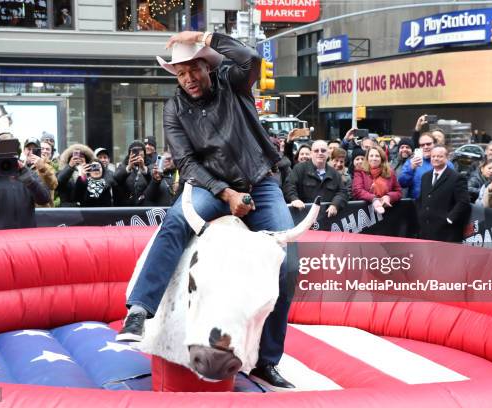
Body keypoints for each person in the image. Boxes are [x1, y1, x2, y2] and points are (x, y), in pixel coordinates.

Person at [117, 30, 296, 390]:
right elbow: (185, 162)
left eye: (192, 70)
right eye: (180, 73)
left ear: (207, 66)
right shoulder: (173, 109)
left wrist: (208, 36)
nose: (187, 79)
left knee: (287, 262)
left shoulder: (233, 82)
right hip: (211, 187)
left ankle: (267, 360)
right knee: (175, 224)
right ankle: (139, 310)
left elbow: (250, 59)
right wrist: (225, 193)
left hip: (260, 181)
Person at [0, 140, 51, 231]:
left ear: (17, 157)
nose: (6, 162)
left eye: (11, 157)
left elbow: (44, 199)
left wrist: (26, 176)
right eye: (2, 158)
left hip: (25, 235)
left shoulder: (28, 174)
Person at [417, 146, 470, 242]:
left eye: (439, 156)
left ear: (446, 158)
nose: (436, 159)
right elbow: (422, 199)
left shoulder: (457, 178)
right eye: (433, 156)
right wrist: (420, 215)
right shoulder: (425, 176)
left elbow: (463, 201)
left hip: (446, 231)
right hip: (426, 229)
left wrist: (450, 219)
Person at [286, 140, 348, 218]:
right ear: (311, 154)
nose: (320, 153)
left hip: (327, 219)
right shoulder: (299, 169)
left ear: (328, 154)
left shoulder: (335, 173)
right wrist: (294, 199)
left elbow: (343, 192)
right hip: (303, 218)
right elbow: (289, 185)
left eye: (323, 150)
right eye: (316, 151)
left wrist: (335, 204)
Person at [398, 133, 453, 200]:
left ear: (435, 144)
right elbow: (402, 184)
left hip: (440, 203)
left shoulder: (446, 163)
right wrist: (411, 169)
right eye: (422, 145)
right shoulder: (411, 162)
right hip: (416, 205)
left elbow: (452, 185)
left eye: (428, 144)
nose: (425, 147)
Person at [352, 146, 402, 214]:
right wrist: (374, 199)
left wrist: (388, 197)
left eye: (377, 156)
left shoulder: (390, 172)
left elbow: (398, 192)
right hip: (365, 214)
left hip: (387, 213)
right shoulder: (360, 171)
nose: (374, 158)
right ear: (367, 158)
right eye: (371, 156)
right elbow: (358, 191)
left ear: (382, 158)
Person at [113, 141, 151, 206]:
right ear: (129, 154)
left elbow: (154, 181)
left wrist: (143, 168)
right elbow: (116, 179)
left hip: (145, 207)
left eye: (140, 149)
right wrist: (129, 167)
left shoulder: (151, 166)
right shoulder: (123, 167)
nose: (137, 152)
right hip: (127, 207)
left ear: (144, 153)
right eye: (134, 150)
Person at [23, 137, 58, 207]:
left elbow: (53, 185)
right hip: (24, 212)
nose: (31, 152)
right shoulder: (20, 167)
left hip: (43, 213)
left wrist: (42, 168)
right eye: (29, 149)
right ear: (24, 151)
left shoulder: (47, 166)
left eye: (34, 149)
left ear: (39, 151)